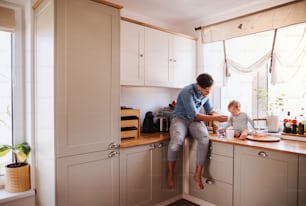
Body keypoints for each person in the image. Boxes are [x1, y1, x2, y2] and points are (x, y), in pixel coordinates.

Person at [167, 73, 228, 190]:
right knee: (176, 142)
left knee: (205, 139)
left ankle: (197, 174)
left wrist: (218, 121)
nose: (208, 93)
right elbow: (193, 115)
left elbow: (210, 111)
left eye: (210, 90)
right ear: (199, 86)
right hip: (181, 118)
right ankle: (170, 174)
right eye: (206, 91)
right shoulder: (187, 91)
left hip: (194, 121)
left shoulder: (206, 93)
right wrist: (216, 118)